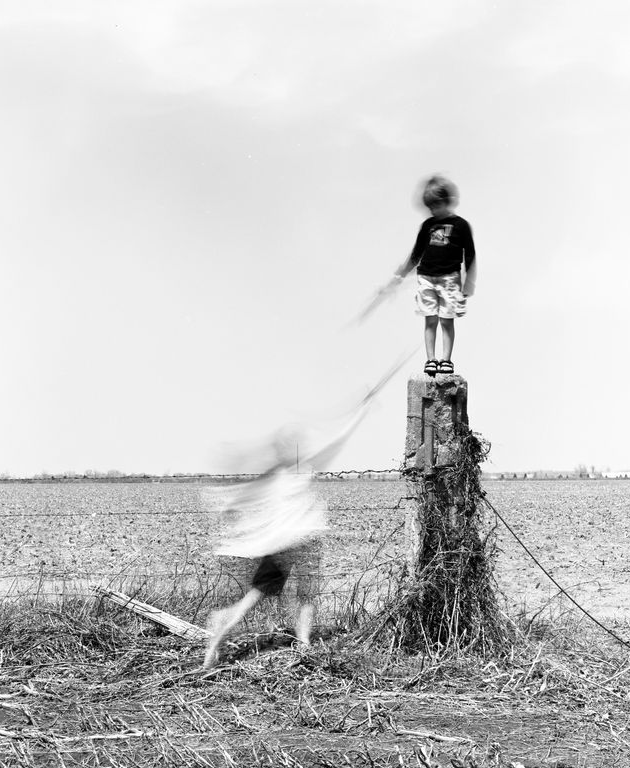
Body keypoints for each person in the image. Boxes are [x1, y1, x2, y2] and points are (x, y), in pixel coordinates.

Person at [202, 400, 371, 669]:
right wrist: (361, 412)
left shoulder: (282, 473)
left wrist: (360, 412)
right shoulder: (290, 472)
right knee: (290, 596)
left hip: (290, 543)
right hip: (294, 542)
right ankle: (228, 634)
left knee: (272, 595)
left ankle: (296, 645)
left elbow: (336, 440)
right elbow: (337, 441)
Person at [381, 175, 476, 376]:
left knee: (446, 320)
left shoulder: (461, 226)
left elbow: (470, 255)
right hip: (426, 278)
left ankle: (446, 360)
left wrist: (468, 283)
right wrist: (401, 274)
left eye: (436, 204)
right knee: (430, 320)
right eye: (429, 206)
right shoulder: (427, 226)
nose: (432, 210)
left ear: (446, 200)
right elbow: (416, 253)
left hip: (449, 279)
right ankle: (431, 359)